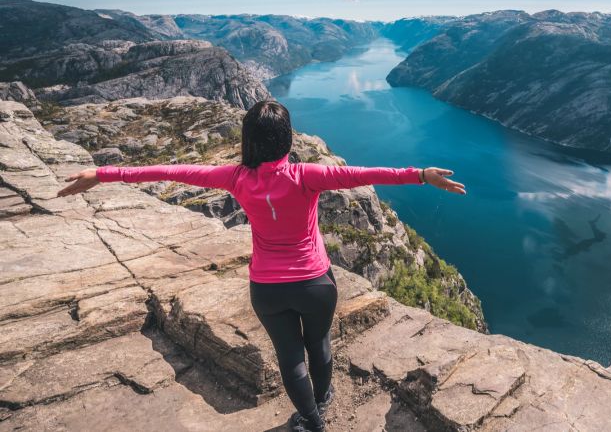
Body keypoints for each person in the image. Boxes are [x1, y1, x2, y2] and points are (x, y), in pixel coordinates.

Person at [56, 100, 466, 432]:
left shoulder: (234, 178)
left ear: (248, 140)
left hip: (267, 288)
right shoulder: (307, 175)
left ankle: (311, 422)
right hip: (316, 283)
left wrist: (101, 173)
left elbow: (167, 171)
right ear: (286, 139)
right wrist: (421, 175)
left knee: (290, 357)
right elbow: (364, 174)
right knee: (319, 345)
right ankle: (324, 399)